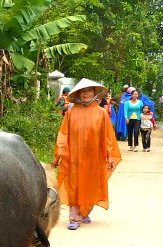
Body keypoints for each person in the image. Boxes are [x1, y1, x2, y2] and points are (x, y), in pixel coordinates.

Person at [51, 78, 122, 230]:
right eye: (83, 91)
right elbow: (63, 135)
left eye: (89, 91)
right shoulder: (71, 112)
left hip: (93, 156)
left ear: (94, 93)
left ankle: (84, 211)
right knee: (74, 185)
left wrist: (109, 155)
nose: (86, 94)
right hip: (74, 156)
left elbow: (107, 137)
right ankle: (74, 217)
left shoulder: (101, 113)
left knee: (90, 184)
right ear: (77, 94)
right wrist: (58, 155)